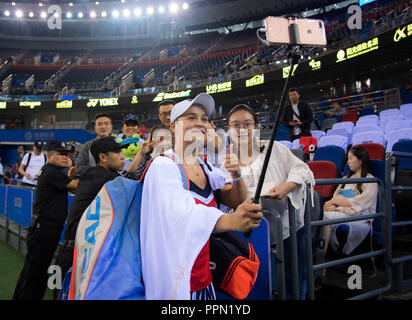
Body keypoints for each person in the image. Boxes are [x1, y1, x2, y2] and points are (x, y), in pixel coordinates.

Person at [140, 93, 262, 300]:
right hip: (175, 284)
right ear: (172, 126)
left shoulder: (205, 166)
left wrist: (237, 177)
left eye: (205, 119)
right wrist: (232, 220)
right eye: (191, 118)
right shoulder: (162, 165)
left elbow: (235, 200)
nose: (200, 123)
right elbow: (180, 215)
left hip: (203, 279)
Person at [225, 104, 315, 300]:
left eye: (247, 124)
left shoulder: (275, 148)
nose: (241, 129)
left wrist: (286, 187)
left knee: (292, 274)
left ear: (255, 127)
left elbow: (302, 170)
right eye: (235, 125)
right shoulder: (226, 158)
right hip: (249, 229)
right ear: (228, 129)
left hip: (285, 225)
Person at [54, 136, 129, 299]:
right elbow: (133, 184)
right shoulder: (102, 176)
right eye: (116, 152)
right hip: (77, 252)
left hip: (75, 249)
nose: (122, 156)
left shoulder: (96, 174)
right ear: (102, 157)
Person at [13, 141, 78, 300]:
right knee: (37, 273)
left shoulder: (52, 170)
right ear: (50, 156)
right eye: (61, 154)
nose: (65, 157)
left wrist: (70, 167)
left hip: (44, 228)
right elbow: (75, 186)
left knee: (32, 270)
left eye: (66, 154)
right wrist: (73, 167)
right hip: (44, 228)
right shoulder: (51, 171)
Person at [322, 145, 378, 256]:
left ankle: (321, 257)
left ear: (361, 160)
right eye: (347, 159)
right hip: (340, 212)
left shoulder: (371, 181)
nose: (348, 162)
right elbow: (335, 198)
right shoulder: (345, 180)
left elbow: (359, 204)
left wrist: (338, 203)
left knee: (324, 218)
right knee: (320, 215)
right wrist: (336, 203)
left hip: (359, 217)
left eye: (351, 158)